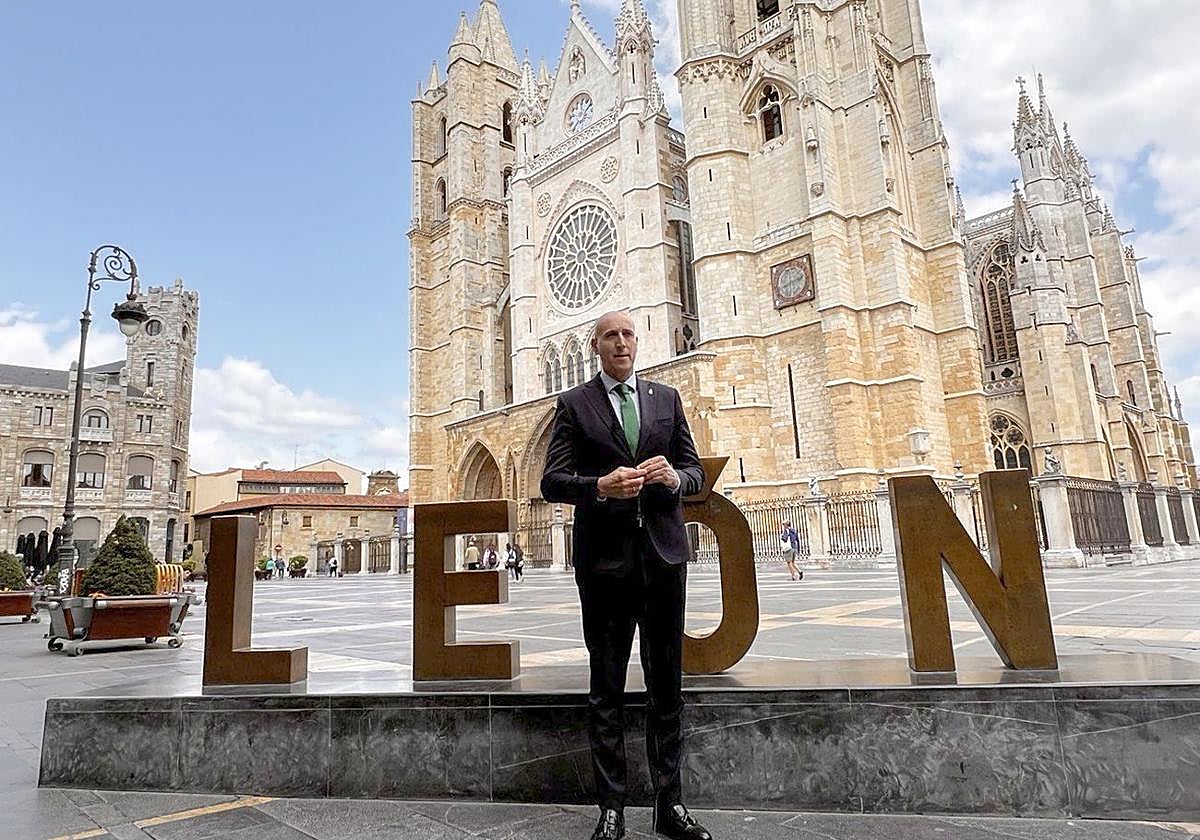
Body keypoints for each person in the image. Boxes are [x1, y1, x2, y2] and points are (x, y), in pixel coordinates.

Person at [542, 310, 711, 840]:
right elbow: (552, 481)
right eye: (611, 336)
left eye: (628, 334)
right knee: (607, 689)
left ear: (637, 343)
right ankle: (611, 808)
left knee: (668, 689)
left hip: (664, 560)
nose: (621, 343)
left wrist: (675, 477)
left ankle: (670, 805)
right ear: (595, 346)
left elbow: (696, 471)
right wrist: (599, 487)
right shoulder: (574, 404)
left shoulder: (667, 398)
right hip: (605, 565)